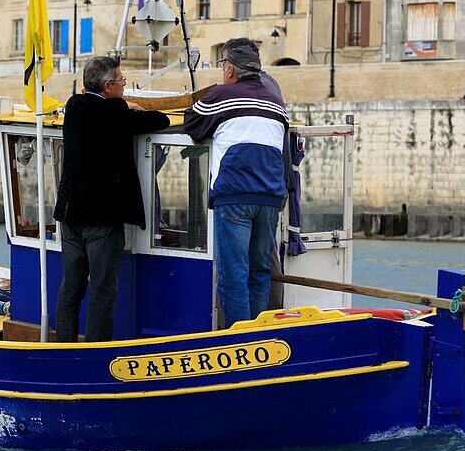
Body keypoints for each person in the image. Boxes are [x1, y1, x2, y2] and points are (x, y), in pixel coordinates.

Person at [53, 56, 170, 342]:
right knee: (103, 292)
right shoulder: (116, 112)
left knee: (71, 289)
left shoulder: (74, 106)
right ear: (107, 86)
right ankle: (95, 353)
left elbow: (99, 110)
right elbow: (161, 120)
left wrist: (123, 106)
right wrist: (131, 107)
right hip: (101, 220)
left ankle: (62, 348)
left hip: (70, 214)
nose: (124, 86)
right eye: (122, 82)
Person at [183, 39, 289, 328]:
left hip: (234, 194)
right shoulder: (278, 104)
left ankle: (239, 338)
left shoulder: (221, 95)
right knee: (259, 271)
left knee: (233, 274)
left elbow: (192, 122)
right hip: (270, 197)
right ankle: (257, 335)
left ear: (230, 71)